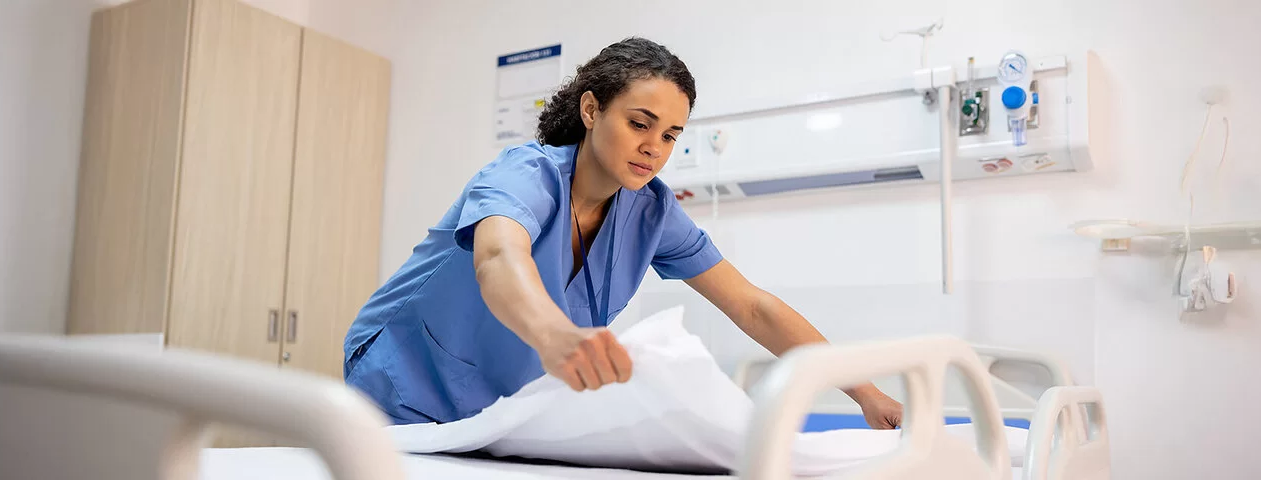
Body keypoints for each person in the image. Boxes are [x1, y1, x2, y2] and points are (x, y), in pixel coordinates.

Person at [342, 37, 903, 429]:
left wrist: (863, 390)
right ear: (591, 110)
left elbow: (752, 307)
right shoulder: (526, 174)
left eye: (670, 135)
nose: (654, 147)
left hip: (495, 408)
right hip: (402, 384)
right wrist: (557, 334)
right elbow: (496, 255)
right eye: (640, 123)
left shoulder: (651, 212)